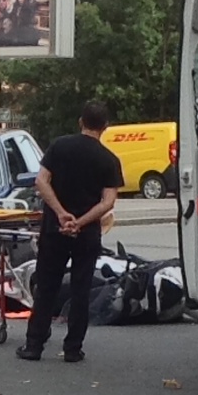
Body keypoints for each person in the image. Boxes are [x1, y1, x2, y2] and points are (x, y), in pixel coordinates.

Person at [21, 99, 123, 363]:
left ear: (81, 122)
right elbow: (108, 201)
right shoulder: (109, 160)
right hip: (86, 234)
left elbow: (41, 181)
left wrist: (60, 212)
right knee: (81, 288)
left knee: (47, 285)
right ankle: (73, 348)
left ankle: (34, 345)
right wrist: (80, 221)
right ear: (105, 127)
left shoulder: (59, 146)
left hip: (54, 228)